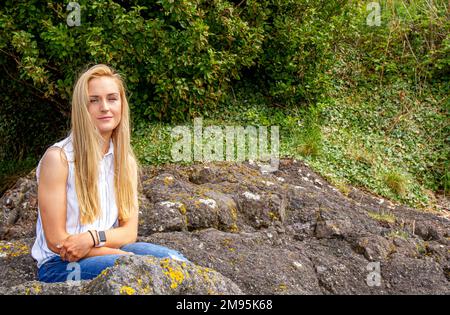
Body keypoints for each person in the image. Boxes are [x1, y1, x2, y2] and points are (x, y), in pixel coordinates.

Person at [31, 64, 188, 283]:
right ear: (81, 108)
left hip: (108, 247)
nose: (104, 107)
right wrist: (124, 257)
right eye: (94, 100)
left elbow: (128, 232)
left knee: (178, 262)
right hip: (61, 264)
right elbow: (58, 242)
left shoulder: (125, 161)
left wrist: (94, 238)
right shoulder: (58, 159)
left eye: (112, 98)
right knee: (136, 272)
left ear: (121, 105)